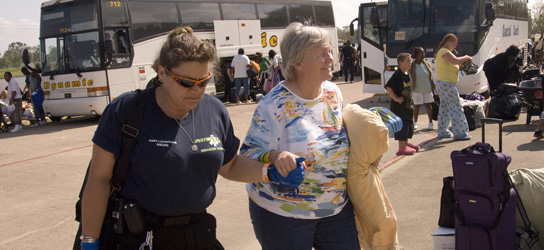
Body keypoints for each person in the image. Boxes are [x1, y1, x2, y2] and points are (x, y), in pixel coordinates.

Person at [80, 26, 303, 250]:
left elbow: (230, 166)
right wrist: (89, 242)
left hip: (199, 233)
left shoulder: (214, 110)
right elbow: (99, 179)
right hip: (142, 236)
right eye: (186, 82)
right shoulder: (127, 110)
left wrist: (270, 172)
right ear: (162, 73)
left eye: (203, 81)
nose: (197, 90)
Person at [240, 22, 361, 250]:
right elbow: (247, 154)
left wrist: (371, 127)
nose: (331, 59)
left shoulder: (332, 92)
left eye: (330, 51)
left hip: (334, 208)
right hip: (283, 215)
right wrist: (276, 156)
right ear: (298, 63)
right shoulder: (274, 105)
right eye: (322, 54)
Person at [433, 34, 473, 140]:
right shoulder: (444, 52)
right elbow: (455, 61)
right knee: (456, 107)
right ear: (448, 42)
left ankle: (443, 131)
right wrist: (466, 58)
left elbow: (454, 63)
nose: (455, 47)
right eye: (454, 44)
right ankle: (460, 132)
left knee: (445, 108)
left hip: (442, 83)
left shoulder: (443, 52)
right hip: (446, 84)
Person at [386, 53, 419, 156]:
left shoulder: (406, 74)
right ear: (400, 63)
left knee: (409, 125)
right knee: (403, 125)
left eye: (410, 61)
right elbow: (389, 87)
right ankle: (401, 147)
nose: (410, 63)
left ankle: (406, 144)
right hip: (400, 107)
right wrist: (395, 98)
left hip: (408, 105)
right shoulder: (397, 75)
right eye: (407, 61)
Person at [409, 47, 436, 131]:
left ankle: (430, 123)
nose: (423, 55)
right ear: (416, 55)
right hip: (417, 89)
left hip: (427, 88)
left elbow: (430, 76)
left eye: (424, 53)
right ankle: (415, 122)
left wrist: (433, 87)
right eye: (421, 54)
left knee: (428, 105)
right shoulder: (412, 65)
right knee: (417, 106)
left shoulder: (427, 64)